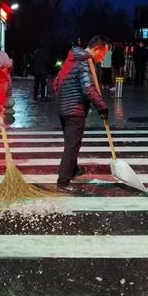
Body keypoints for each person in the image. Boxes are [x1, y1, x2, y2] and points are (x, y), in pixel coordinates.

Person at [54, 35, 110, 192]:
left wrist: (64, 100)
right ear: (96, 49)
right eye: (103, 54)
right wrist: (102, 107)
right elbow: (88, 89)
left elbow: (56, 82)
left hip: (63, 109)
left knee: (71, 143)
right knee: (72, 146)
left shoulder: (71, 59)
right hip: (74, 111)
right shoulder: (84, 62)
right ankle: (63, 182)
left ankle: (73, 169)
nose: (103, 58)